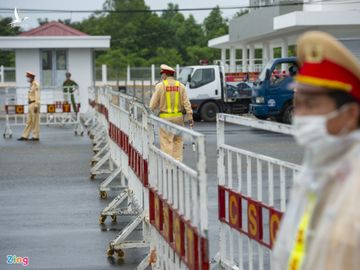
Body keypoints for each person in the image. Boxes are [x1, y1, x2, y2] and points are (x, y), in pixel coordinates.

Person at [273, 31, 360, 270]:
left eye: (310, 104)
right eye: (297, 104)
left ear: (350, 114)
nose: (300, 116)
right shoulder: (316, 170)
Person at [149, 64, 193, 161]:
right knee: (178, 140)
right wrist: (190, 118)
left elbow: (152, 105)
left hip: (165, 119)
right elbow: (187, 103)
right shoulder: (181, 86)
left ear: (165, 74)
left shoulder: (160, 86)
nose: (161, 76)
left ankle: (168, 164)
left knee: (166, 141)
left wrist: (149, 113)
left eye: (162, 74)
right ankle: (178, 162)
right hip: (178, 118)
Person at [18, 71, 40, 141]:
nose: (27, 79)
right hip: (30, 104)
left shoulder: (36, 84)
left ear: (32, 77)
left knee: (35, 121)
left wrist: (36, 105)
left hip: (34, 104)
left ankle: (35, 136)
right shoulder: (31, 85)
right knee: (29, 121)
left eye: (28, 77)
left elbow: (37, 95)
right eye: (27, 77)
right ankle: (25, 136)